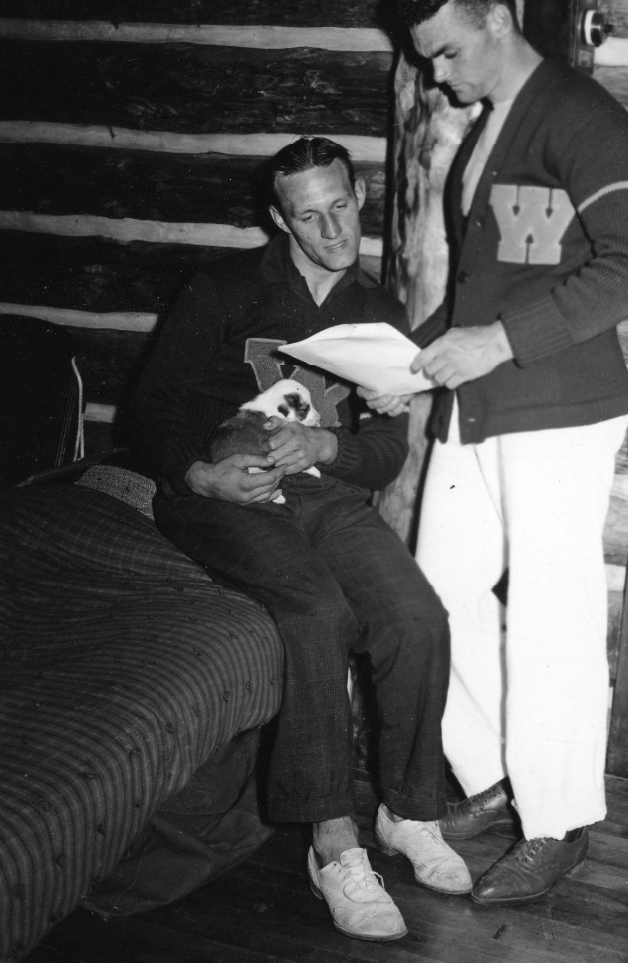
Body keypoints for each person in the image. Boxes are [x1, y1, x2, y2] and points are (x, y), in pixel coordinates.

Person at [367, 0, 628, 907]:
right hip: (478, 407)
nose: (438, 78)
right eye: (426, 61)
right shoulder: (490, 124)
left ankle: (561, 816)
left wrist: (494, 342)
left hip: (557, 407)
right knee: (440, 591)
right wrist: (398, 362)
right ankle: (499, 768)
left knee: (551, 614)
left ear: (496, 18)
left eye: (447, 53)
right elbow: (476, 289)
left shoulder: (585, 120)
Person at [129, 137, 471, 943]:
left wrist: (328, 448)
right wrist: (197, 476)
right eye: (309, 215)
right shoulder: (222, 289)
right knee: (317, 611)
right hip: (227, 496)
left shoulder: (380, 314)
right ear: (280, 218)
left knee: (416, 615)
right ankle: (334, 843)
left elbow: (386, 452)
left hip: (324, 499)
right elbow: (147, 411)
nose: (332, 230)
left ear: (359, 193)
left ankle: (408, 813)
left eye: (342, 206)